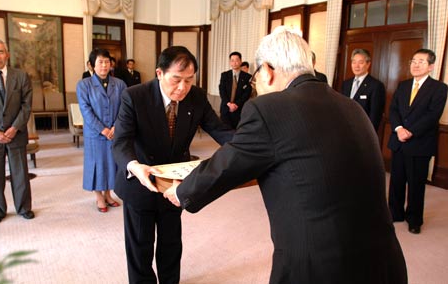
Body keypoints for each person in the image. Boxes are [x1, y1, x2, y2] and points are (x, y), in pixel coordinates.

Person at [163, 26, 408, 284]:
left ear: (267, 71)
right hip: (384, 260)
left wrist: (182, 191)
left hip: (320, 265)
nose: (256, 84)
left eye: (256, 76)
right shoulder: (351, 106)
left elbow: (228, 163)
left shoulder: (269, 108)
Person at [112, 46, 234, 283]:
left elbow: (221, 131)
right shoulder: (135, 96)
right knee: (140, 247)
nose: (182, 87)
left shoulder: (196, 97)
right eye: (176, 79)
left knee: (171, 244)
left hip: (175, 185)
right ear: (159, 73)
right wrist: (134, 166)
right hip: (140, 180)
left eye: (189, 80)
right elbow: (121, 142)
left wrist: (251, 146)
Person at [387, 48, 448, 235]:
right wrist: (398, 129)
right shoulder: (403, 85)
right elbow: (394, 109)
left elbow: (432, 116)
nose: (415, 64)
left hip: (419, 143)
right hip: (399, 141)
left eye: (421, 61)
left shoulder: (439, 88)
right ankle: (394, 213)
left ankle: (414, 219)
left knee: (416, 184)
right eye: (413, 61)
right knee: (396, 181)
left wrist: (410, 132)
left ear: (431, 66)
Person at [0, 38, 34, 225]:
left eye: (0, 52)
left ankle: (23, 207)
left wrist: (14, 128)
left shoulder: (21, 76)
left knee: (20, 173)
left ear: (7, 54)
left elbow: (26, 105)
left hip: (17, 133)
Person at [77, 48, 127, 213]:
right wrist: (103, 129)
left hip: (115, 132)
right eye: (100, 62)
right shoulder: (84, 85)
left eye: (107, 62)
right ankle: (99, 196)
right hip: (94, 134)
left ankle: (108, 194)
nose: (104, 65)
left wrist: (114, 127)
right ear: (92, 65)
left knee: (112, 164)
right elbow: (86, 111)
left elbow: (124, 108)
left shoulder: (119, 84)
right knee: (97, 165)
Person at [341, 48, 386, 131]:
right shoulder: (346, 84)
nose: (356, 66)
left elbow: (375, 116)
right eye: (354, 62)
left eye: (360, 62)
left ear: (368, 64)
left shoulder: (376, 86)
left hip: (362, 132)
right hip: (344, 129)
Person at [219, 51, 252, 129]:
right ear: (230, 62)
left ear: (240, 61)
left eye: (237, 60)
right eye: (232, 60)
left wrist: (236, 104)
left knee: (238, 131)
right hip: (226, 108)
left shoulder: (247, 77)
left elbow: (247, 93)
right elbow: (222, 90)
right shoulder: (224, 75)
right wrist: (229, 104)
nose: (234, 62)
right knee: (225, 132)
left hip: (239, 109)